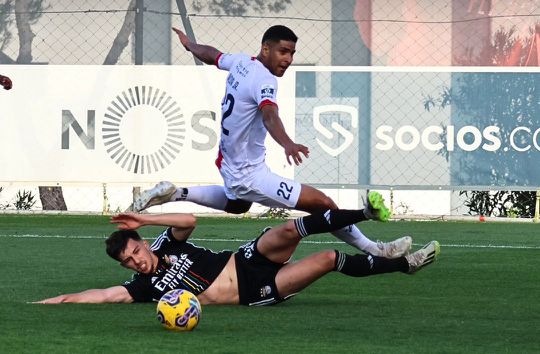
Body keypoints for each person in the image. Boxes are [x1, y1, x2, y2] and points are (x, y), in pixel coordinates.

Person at [133, 25, 411, 259]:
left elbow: (213, 55)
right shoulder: (265, 80)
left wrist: (190, 45)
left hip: (229, 161)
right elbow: (269, 115)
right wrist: (288, 143)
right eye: (283, 51)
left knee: (239, 204)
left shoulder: (242, 62)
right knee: (323, 202)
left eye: (291, 53)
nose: (288, 59)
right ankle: (375, 249)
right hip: (249, 173)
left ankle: (176, 193)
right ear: (266, 49)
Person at [34, 208, 440, 306]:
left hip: (243, 260)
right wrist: (50, 302)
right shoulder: (142, 287)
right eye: (129, 261)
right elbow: (102, 297)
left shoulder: (166, 244)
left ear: (142, 241)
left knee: (285, 228)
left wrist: (142, 217)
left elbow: (189, 219)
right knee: (330, 258)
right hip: (254, 290)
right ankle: (405, 264)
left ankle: (364, 214)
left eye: (136, 250)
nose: (137, 261)